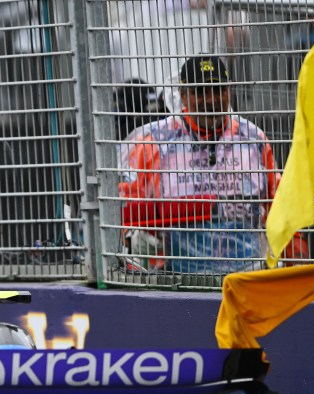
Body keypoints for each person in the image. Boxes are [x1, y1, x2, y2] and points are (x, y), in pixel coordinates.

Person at [118, 55, 303, 274]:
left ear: (229, 90)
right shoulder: (154, 143)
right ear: (183, 95)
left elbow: (281, 207)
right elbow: (126, 213)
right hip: (176, 279)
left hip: (246, 278)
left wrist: (297, 262)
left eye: (218, 90)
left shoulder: (253, 139)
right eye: (200, 92)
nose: (210, 100)